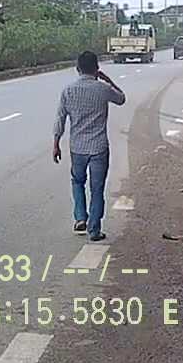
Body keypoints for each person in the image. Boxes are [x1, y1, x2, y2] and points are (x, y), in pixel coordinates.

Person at [53, 50, 126, 241]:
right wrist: (108, 80)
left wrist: (56, 143)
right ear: (97, 69)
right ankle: (94, 230)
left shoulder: (68, 91)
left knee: (77, 181)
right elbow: (121, 98)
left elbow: (60, 119)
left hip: (77, 147)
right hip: (99, 147)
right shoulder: (103, 89)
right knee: (97, 188)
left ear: (77, 68)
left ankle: (80, 218)